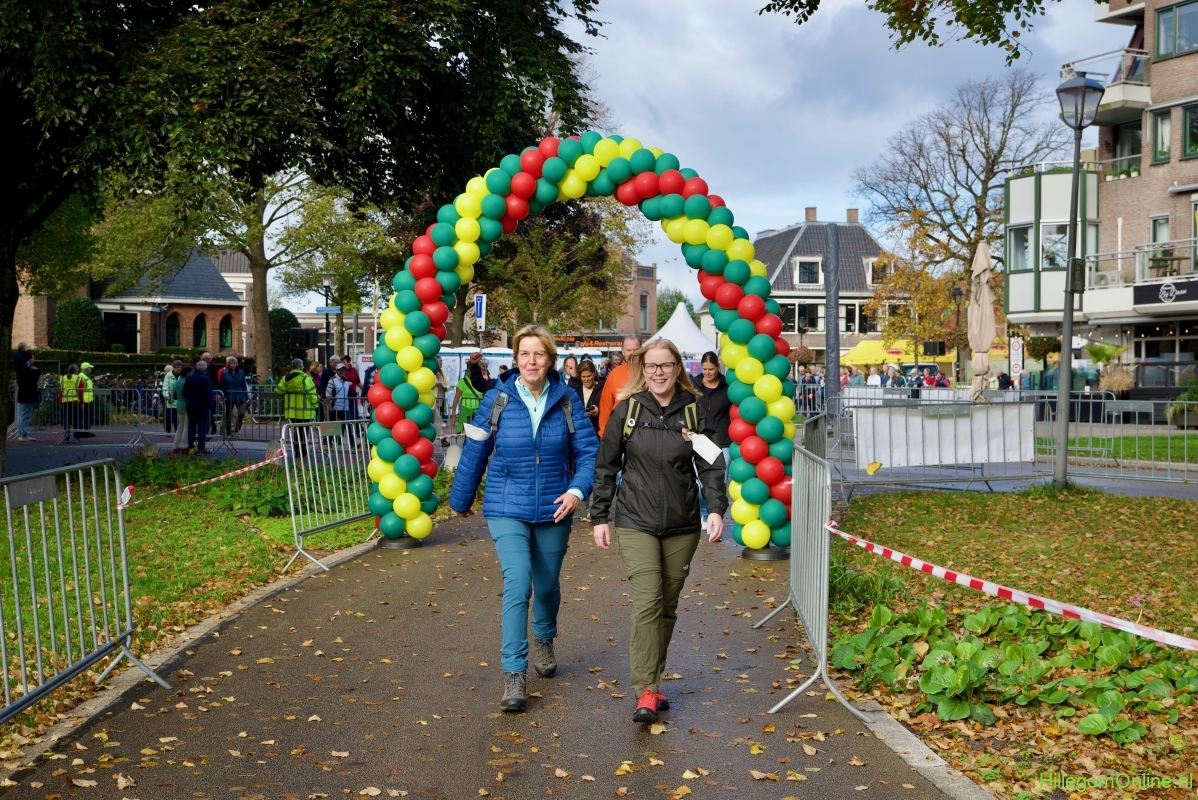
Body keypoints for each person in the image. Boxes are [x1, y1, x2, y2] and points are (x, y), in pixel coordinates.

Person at [449, 324, 600, 714]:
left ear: (550, 359)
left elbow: (588, 453)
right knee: (517, 582)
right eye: (525, 354)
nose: (532, 361)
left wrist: (576, 491)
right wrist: (461, 499)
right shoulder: (497, 398)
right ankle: (514, 672)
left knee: (547, 586)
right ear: (516, 359)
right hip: (506, 504)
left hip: (555, 505)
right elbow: (476, 450)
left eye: (539, 354)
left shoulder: (567, 399)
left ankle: (544, 637)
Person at [590, 338, 727, 724]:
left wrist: (716, 509)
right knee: (648, 600)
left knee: (666, 604)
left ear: (677, 369)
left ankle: (653, 679)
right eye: (651, 366)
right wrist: (599, 516)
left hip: (682, 525)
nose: (658, 372)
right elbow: (606, 466)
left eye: (666, 365)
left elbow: (711, 465)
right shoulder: (627, 410)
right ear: (642, 370)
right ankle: (646, 689)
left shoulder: (694, 411)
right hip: (636, 521)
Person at [597, 336, 642, 436]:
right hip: (619, 431)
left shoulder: (650, 372)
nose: (632, 353)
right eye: (629, 350)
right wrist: (604, 434)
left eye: (636, 350)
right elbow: (606, 407)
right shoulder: (614, 374)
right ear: (623, 352)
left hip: (644, 432)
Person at [279, 358, 320, 453]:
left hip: (292, 412)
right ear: (301, 367)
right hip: (305, 412)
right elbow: (312, 394)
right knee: (304, 432)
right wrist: (316, 405)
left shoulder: (286, 378)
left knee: (296, 431)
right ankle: (302, 451)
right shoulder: (306, 378)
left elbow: (278, 390)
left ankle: (297, 450)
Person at [183, 360, 216, 454]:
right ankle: (201, 448)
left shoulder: (189, 378)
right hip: (203, 407)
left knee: (191, 427)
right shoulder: (206, 379)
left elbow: (184, 392)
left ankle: (190, 446)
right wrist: (209, 405)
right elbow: (209, 394)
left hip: (191, 407)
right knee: (202, 428)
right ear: (205, 369)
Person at [219, 356, 250, 436]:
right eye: (231, 364)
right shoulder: (225, 373)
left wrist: (246, 396)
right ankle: (229, 432)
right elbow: (222, 385)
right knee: (229, 416)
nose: (233, 365)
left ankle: (236, 429)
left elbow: (243, 384)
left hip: (239, 396)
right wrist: (221, 395)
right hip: (229, 396)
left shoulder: (241, 372)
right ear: (228, 364)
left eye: (234, 363)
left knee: (241, 413)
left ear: (237, 364)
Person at [15, 348, 40, 441]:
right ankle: (24, 434)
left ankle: (22, 433)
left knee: (22, 414)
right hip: (28, 395)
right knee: (25, 415)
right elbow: (32, 380)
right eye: (32, 358)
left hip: (23, 394)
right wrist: (36, 371)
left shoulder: (21, 368)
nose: (33, 360)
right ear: (29, 359)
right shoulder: (27, 369)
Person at [450, 365, 484, 434]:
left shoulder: (481, 381)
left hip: (478, 411)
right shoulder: (462, 382)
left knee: (476, 432)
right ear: (468, 369)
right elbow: (456, 399)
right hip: (466, 410)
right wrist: (453, 416)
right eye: (472, 369)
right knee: (466, 431)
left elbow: (484, 396)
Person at [575, 360, 603, 433]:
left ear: (594, 373)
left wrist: (599, 411)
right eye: (583, 377)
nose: (586, 379)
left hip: (596, 430)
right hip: (579, 430)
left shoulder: (603, 388)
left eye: (589, 376)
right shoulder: (576, 388)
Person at [172, 364, 192, 453]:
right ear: (187, 373)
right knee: (186, 426)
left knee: (180, 426)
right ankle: (184, 445)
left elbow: (174, 396)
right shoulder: (187, 382)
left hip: (179, 405)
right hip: (186, 405)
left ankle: (176, 445)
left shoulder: (176, 383)